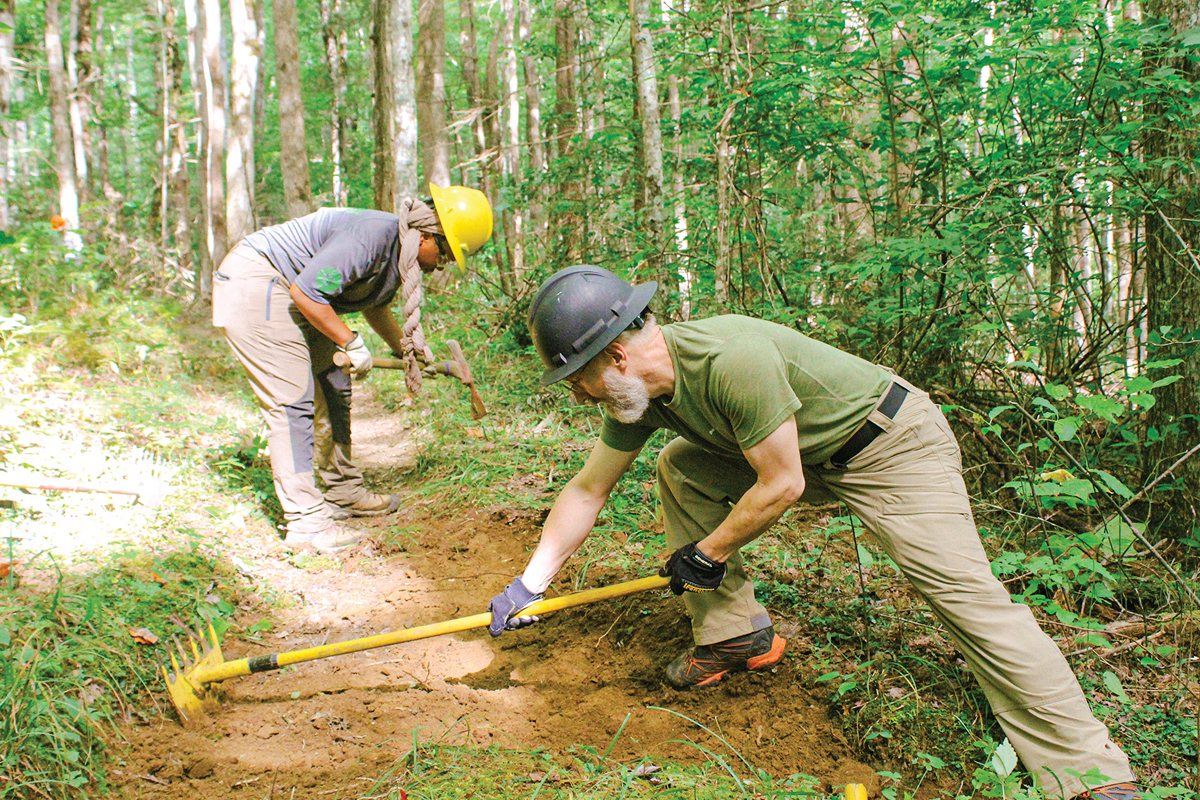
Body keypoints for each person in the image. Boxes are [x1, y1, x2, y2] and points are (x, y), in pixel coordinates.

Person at [486, 265, 1142, 800]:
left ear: (618, 354)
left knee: (968, 601)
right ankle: (735, 634)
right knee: (680, 467)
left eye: (580, 381)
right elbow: (588, 488)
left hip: (890, 444)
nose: (580, 398)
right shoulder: (638, 395)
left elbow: (782, 485)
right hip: (808, 454)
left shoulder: (728, 361)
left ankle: (1090, 770)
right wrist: (529, 584)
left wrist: (706, 554)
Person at [212, 185, 492, 554]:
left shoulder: (397, 251)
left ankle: (342, 489)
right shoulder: (371, 237)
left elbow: (375, 308)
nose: (441, 265)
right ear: (427, 235)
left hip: (292, 290)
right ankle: (307, 523)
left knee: (333, 382)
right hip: (259, 283)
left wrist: (409, 354)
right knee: (293, 401)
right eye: (444, 254)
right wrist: (350, 341)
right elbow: (308, 292)